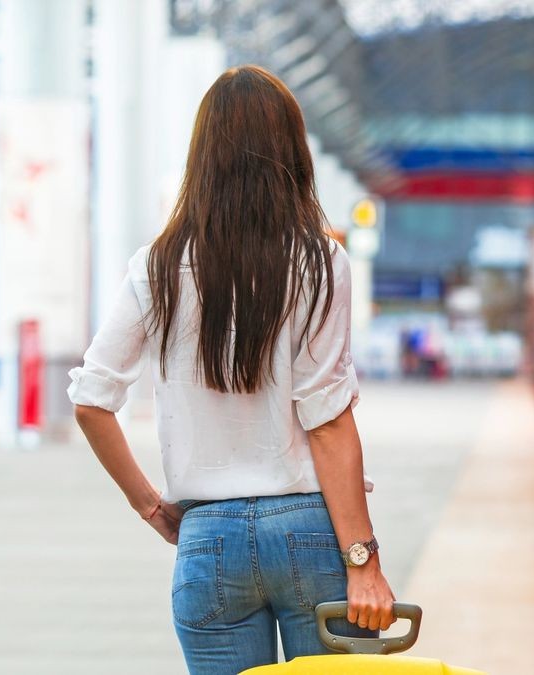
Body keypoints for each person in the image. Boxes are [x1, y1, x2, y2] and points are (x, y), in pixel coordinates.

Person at [67, 65, 395, 674]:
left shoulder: (158, 266)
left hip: (207, 537)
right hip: (308, 529)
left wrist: (150, 505)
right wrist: (363, 561)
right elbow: (326, 422)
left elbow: (91, 400)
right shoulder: (320, 261)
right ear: (293, 153)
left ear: (203, 156)